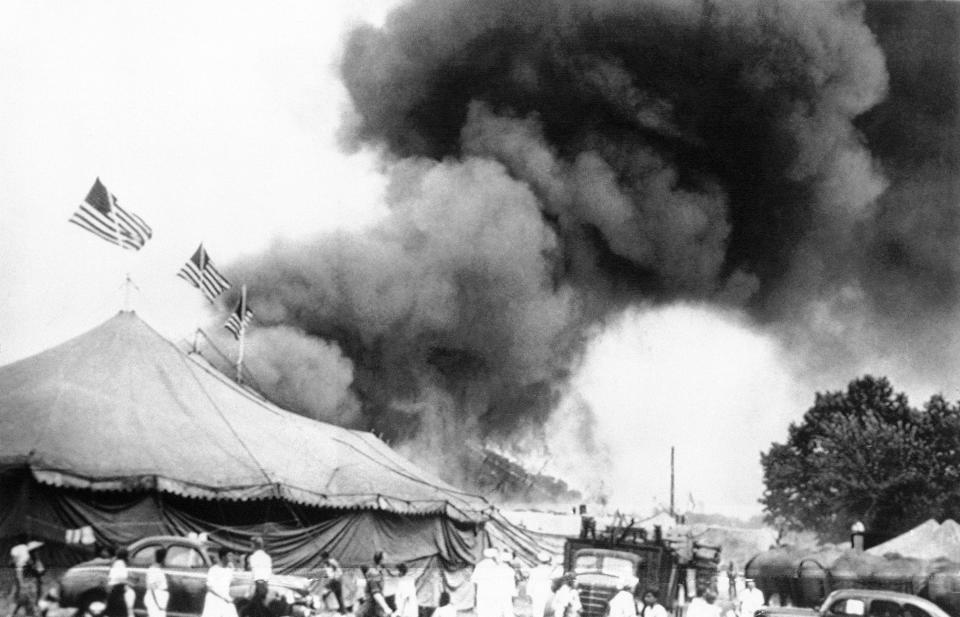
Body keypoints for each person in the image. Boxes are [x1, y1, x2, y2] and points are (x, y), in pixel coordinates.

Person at [8, 541, 45, 617]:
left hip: (32, 583)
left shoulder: (34, 559)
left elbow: (41, 571)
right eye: (37, 549)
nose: (39, 551)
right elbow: (19, 572)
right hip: (28, 584)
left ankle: (10, 615)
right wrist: (22, 584)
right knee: (25, 602)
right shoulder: (26, 559)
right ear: (33, 550)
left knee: (20, 601)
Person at [202, 548, 238, 617]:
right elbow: (209, 587)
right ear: (223, 557)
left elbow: (231, 584)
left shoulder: (229, 571)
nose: (231, 558)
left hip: (226, 600)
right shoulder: (213, 569)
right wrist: (222, 597)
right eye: (229, 556)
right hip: (214, 599)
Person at [242, 537, 271, 617]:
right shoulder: (267, 557)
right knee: (258, 609)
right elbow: (268, 574)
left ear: (254, 545)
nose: (251, 547)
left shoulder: (253, 557)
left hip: (257, 585)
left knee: (249, 610)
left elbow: (254, 574)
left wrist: (250, 590)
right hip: (264, 586)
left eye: (251, 545)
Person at [362, 551, 394, 617]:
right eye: (386, 559)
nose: (388, 561)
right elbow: (376, 594)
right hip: (371, 609)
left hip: (377, 607)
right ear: (381, 561)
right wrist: (386, 608)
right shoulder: (373, 573)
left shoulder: (380, 571)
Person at [106, 549, 135, 617]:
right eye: (128, 556)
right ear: (125, 556)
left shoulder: (117, 563)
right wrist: (130, 583)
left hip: (116, 591)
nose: (130, 557)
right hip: (117, 592)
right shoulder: (120, 564)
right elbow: (119, 579)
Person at [471, 548, 500, 617]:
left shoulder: (479, 565)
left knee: (483, 612)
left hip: (482, 592)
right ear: (494, 556)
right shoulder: (496, 566)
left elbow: (474, 581)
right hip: (493, 593)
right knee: (493, 612)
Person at [525, 552, 555, 617]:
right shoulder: (551, 570)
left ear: (539, 560)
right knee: (548, 613)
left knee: (537, 611)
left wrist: (529, 594)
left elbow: (531, 583)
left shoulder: (534, 570)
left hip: (537, 592)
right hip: (549, 592)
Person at [144, 548, 169, 617]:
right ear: (163, 559)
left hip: (160, 598)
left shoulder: (158, 569)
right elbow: (151, 587)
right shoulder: (153, 570)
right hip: (156, 599)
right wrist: (158, 605)